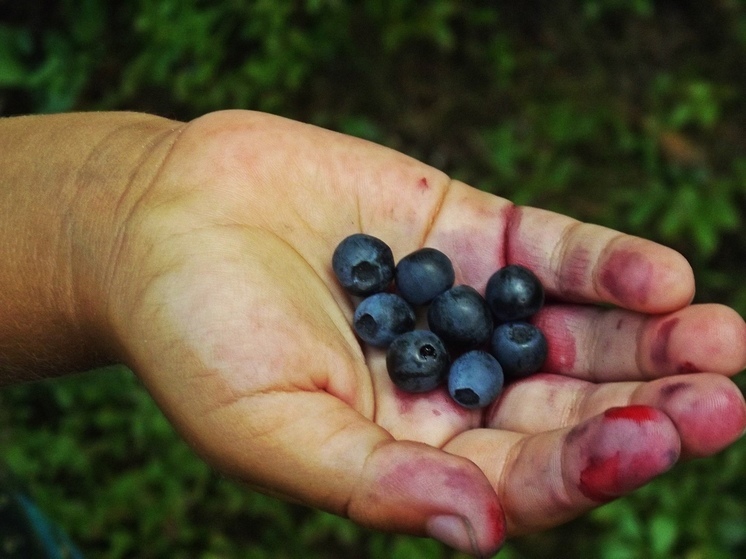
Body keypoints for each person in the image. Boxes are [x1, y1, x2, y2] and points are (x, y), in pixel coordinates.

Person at [1, 109, 744, 557]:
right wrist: (131, 215)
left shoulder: (458, 320)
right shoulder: (421, 320)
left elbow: (457, 326)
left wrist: (128, 203)